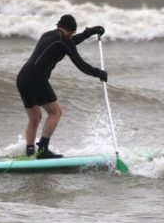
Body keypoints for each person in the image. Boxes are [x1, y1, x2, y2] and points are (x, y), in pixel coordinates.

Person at [16, 14, 107, 159]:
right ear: (70, 31)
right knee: (56, 112)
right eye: (72, 34)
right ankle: (43, 151)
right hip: (36, 79)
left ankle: (30, 151)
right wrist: (98, 73)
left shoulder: (47, 35)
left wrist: (87, 34)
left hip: (22, 78)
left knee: (35, 117)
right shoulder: (64, 41)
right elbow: (80, 64)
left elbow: (67, 43)